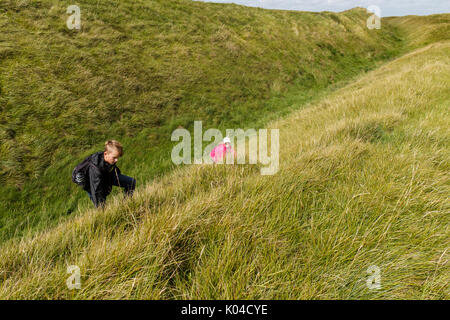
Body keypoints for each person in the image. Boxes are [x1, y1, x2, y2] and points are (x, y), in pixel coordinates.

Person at [85, 140, 136, 208]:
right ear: (105, 154)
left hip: (107, 176)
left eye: (117, 157)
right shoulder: (95, 169)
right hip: (92, 184)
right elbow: (96, 192)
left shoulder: (109, 159)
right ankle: (103, 216)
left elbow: (113, 169)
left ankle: (125, 206)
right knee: (101, 205)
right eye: (114, 157)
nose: (116, 160)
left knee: (131, 182)